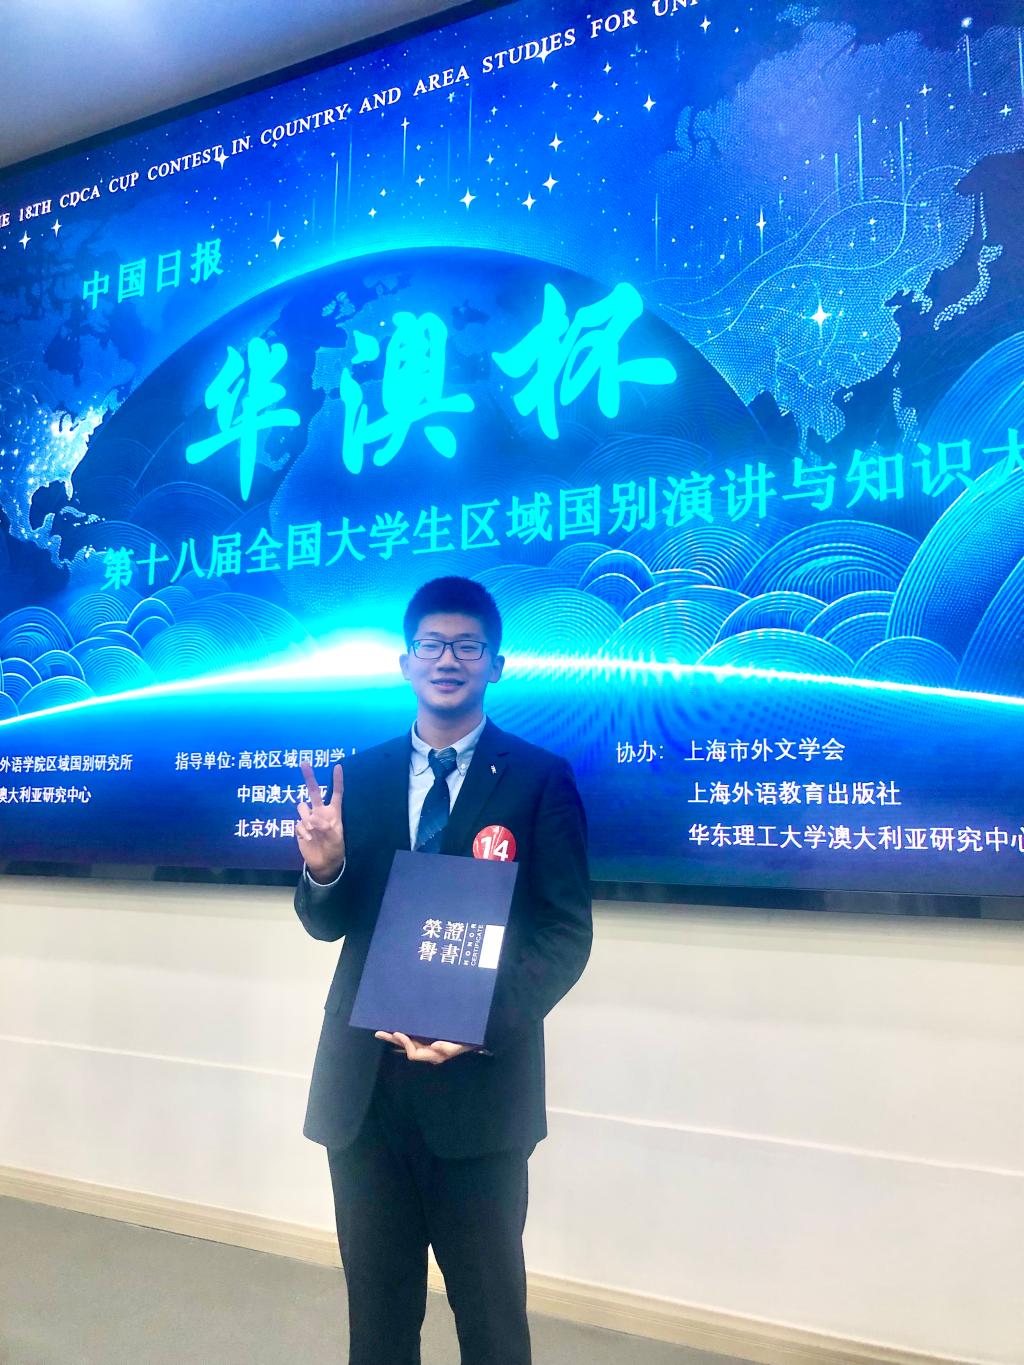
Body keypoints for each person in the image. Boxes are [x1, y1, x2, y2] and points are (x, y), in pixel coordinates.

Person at [293, 575, 592, 1365]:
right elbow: (327, 923)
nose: (447, 659)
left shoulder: (539, 779)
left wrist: (478, 1024)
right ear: (405, 662)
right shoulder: (358, 777)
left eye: (466, 645)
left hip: (479, 1097)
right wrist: (323, 868)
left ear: (496, 663)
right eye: (431, 644)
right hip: (366, 1094)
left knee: (492, 1325)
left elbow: (566, 935)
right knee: (378, 1325)